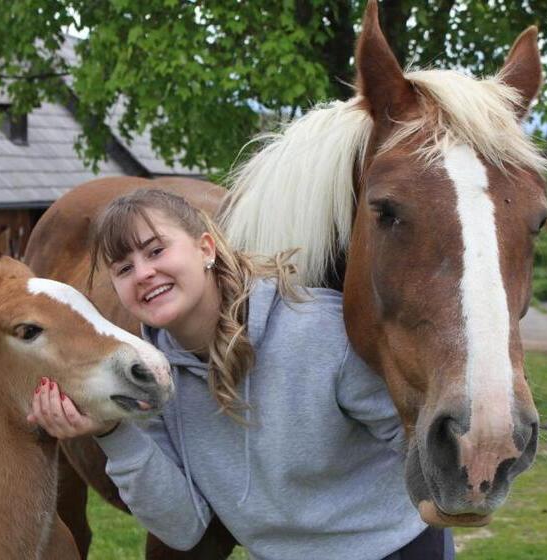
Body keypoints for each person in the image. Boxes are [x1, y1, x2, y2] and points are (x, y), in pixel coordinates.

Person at [28, 188, 454, 560]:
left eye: (156, 251)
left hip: (391, 551)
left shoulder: (318, 331)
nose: (143, 273)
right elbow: (182, 528)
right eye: (123, 268)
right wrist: (112, 433)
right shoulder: (153, 377)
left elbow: (415, 440)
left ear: (206, 249)